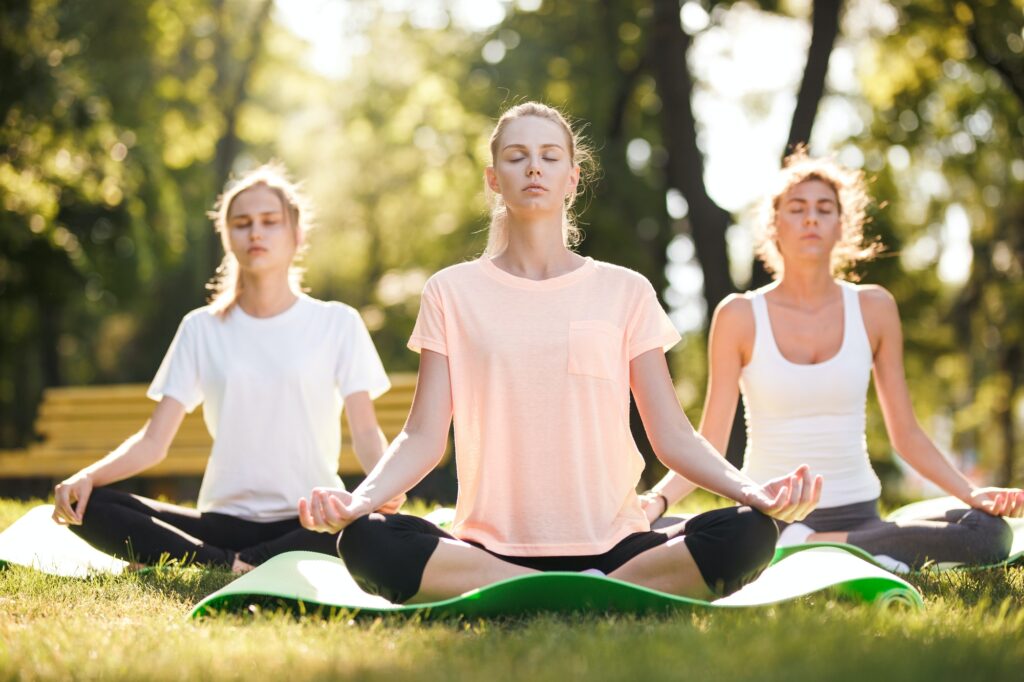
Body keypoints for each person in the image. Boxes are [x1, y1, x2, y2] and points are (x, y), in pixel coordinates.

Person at [297, 102, 821, 605]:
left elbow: (674, 435)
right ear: (493, 178)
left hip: (616, 548)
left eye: (550, 156)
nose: (533, 168)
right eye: (516, 156)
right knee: (367, 539)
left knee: (748, 531)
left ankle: (538, 591)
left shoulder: (626, 291)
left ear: (572, 178)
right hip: (488, 548)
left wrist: (754, 493)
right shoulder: (450, 292)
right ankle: (572, 588)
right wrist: (359, 500)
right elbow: (422, 436)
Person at [641, 150, 1022, 572]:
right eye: (797, 209)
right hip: (770, 512)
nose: (811, 219)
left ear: (841, 226)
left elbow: (907, 434)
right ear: (775, 225)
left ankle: (810, 544)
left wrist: (973, 494)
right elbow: (708, 439)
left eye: (824, 209)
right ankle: (834, 546)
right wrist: (657, 500)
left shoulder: (874, 307)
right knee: (648, 535)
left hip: (858, 514)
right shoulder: (739, 315)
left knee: (989, 531)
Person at [51, 164, 399, 572]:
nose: (255, 232)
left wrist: (382, 488)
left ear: (297, 235)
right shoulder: (200, 328)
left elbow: (364, 432)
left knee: (370, 524)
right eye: (242, 223)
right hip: (220, 522)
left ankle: (217, 564)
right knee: (92, 504)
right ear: (227, 236)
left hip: (311, 521)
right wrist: (86, 477)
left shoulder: (338, 322)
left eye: (270, 222)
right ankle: (232, 561)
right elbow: (153, 442)